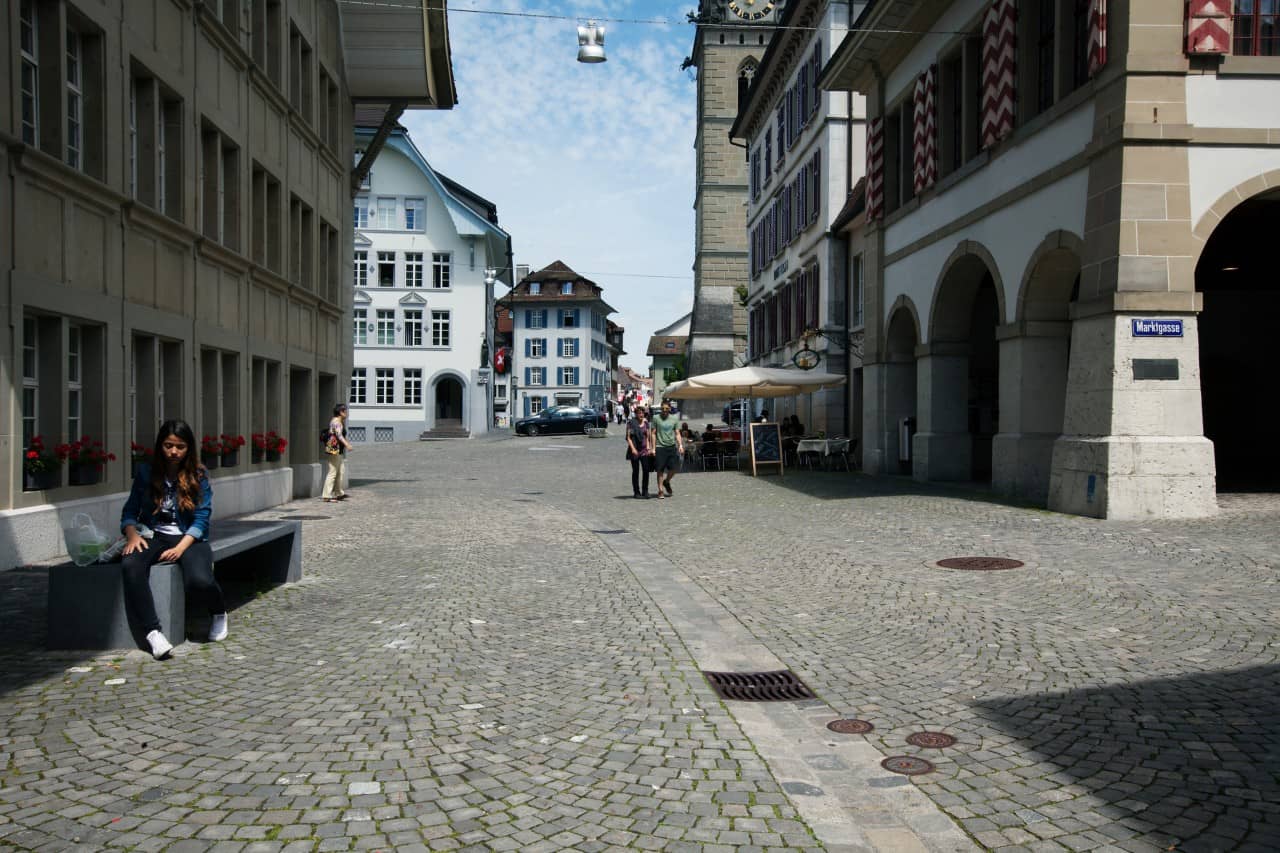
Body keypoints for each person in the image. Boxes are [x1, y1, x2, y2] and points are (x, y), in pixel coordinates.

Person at [120, 420, 226, 660]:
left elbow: (201, 519)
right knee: (131, 566)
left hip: (188, 538)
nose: (174, 452)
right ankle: (153, 632)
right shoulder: (146, 473)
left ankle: (218, 612)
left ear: (188, 449)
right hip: (152, 534)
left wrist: (180, 548)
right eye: (168, 446)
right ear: (160, 446)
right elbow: (129, 510)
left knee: (199, 579)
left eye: (180, 446)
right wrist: (132, 534)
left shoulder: (199, 475)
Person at [651, 401, 684, 498]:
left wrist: (680, 445)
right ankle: (660, 490)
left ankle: (667, 481)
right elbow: (653, 433)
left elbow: (677, 433)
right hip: (660, 446)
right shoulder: (656, 418)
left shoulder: (674, 418)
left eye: (666, 409)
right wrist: (653, 448)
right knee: (660, 470)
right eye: (662, 409)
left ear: (669, 409)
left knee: (674, 468)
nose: (664, 411)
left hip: (671, 446)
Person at [322, 402, 354, 502]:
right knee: (333, 472)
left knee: (340, 471)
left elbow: (340, 435)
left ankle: (338, 493)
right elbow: (339, 436)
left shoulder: (339, 421)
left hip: (338, 450)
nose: (347, 413)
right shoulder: (337, 422)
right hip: (334, 450)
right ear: (341, 412)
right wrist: (347, 445)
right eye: (345, 411)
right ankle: (327, 495)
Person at [626, 407, 653, 498]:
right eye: (639, 413)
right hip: (635, 450)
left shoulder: (646, 423)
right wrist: (633, 449)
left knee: (646, 470)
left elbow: (648, 437)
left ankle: (645, 491)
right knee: (636, 471)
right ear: (636, 414)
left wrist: (649, 447)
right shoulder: (631, 423)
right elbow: (628, 438)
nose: (641, 415)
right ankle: (636, 492)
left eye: (642, 413)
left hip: (644, 450)